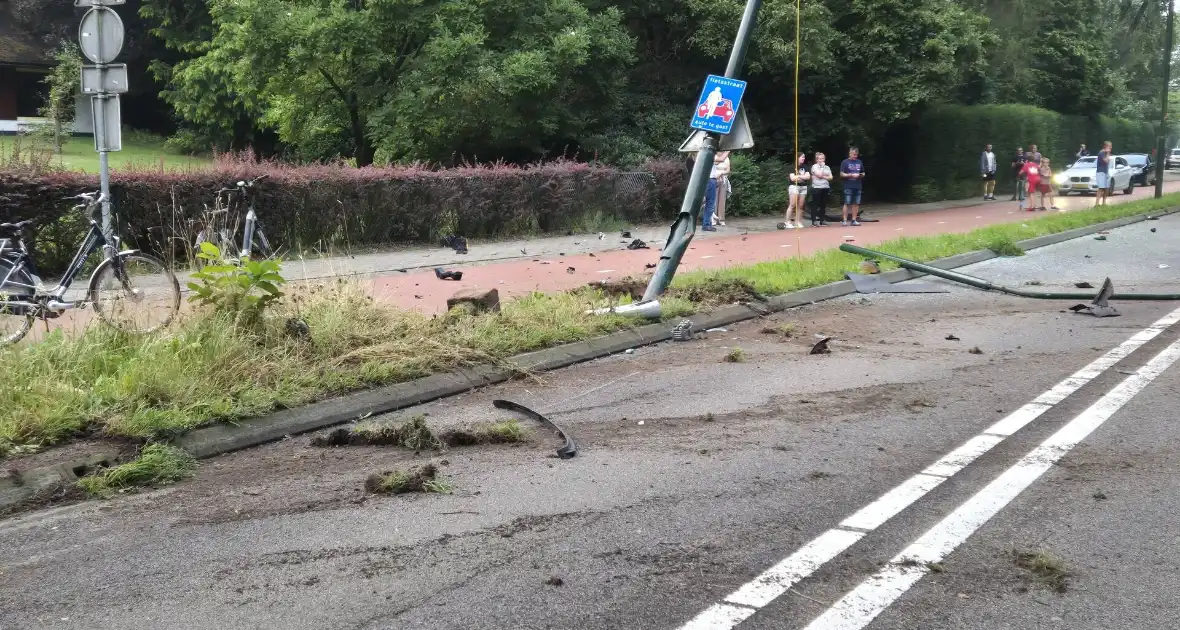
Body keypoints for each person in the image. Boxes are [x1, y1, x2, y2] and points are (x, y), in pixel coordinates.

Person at [840, 146, 865, 226]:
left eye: (856, 154)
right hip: (848, 185)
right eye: (854, 154)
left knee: (856, 203)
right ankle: (844, 220)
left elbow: (863, 173)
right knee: (847, 203)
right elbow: (841, 174)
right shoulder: (845, 162)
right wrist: (850, 175)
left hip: (858, 185)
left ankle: (854, 220)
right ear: (850, 153)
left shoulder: (859, 162)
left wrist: (860, 175)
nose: (855, 156)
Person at [784, 152, 810, 229]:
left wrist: (798, 176)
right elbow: (792, 178)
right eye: (802, 157)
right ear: (797, 157)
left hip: (803, 187)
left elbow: (808, 177)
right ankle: (787, 222)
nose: (803, 158)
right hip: (794, 186)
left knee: (801, 205)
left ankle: (797, 221)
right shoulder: (792, 166)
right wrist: (802, 176)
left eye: (804, 157)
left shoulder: (805, 166)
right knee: (792, 204)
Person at [810, 152, 833, 226]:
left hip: (825, 187)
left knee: (823, 205)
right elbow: (819, 175)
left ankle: (822, 220)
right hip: (817, 187)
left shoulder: (827, 167)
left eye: (823, 158)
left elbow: (831, 177)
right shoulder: (814, 167)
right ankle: (814, 221)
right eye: (819, 159)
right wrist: (822, 169)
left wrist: (823, 176)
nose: (821, 160)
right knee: (815, 204)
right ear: (817, 160)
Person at [713, 152, 732, 226]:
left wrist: (721, 173)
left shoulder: (726, 159)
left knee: (722, 200)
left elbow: (728, 170)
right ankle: (713, 219)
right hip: (714, 179)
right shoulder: (714, 156)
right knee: (713, 200)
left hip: (723, 180)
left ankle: (721, 219)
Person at [1095, 140, 1112, 207]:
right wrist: (1108, 153)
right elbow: (1106, 161)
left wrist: (1107, 153)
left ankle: (1104, 203)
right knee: (1101, 188)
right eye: (1109, 146)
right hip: (1101, 172)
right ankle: (1096, 204)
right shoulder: (1101, 153)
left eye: (1111, 146)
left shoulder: (1106, 153)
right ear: (1105, 146)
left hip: (1106, 172)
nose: (1110, 148)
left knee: (1107, 188)